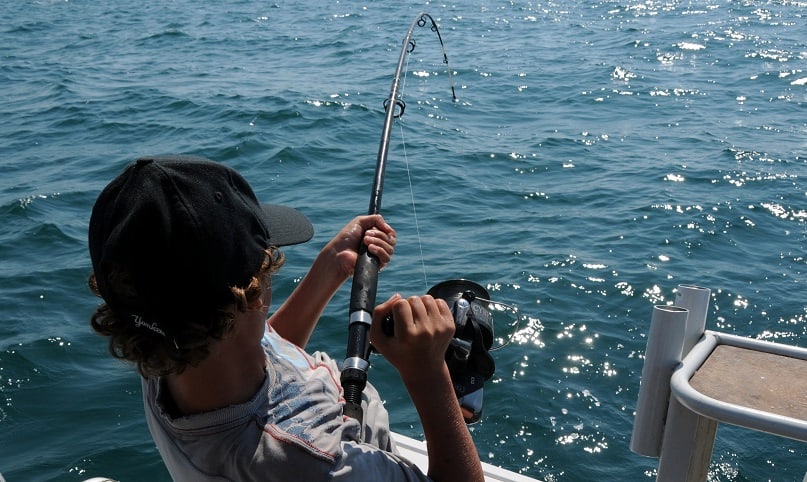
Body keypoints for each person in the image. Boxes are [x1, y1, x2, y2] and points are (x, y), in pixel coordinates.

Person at [87, 155, 484, 482]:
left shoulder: (161, 346)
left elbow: (254, 344)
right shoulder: (314, 463)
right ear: (250, 294)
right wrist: (428, 374)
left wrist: (330, 268)